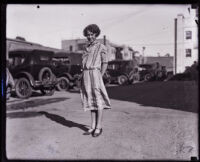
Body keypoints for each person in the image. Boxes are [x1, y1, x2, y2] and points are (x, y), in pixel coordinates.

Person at [80, 24, 111, 137]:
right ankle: (92, 126)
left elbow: (105, 63)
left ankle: (99, 127)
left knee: (98, 101)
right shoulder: (86, 48)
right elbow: (83, 64)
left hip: (95, 74)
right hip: (86, 75)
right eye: (88, 35)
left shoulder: (101, 47)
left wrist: (100, 76)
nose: (90, 37)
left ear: (96, 34)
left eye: (92, 34)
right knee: (90, 100)